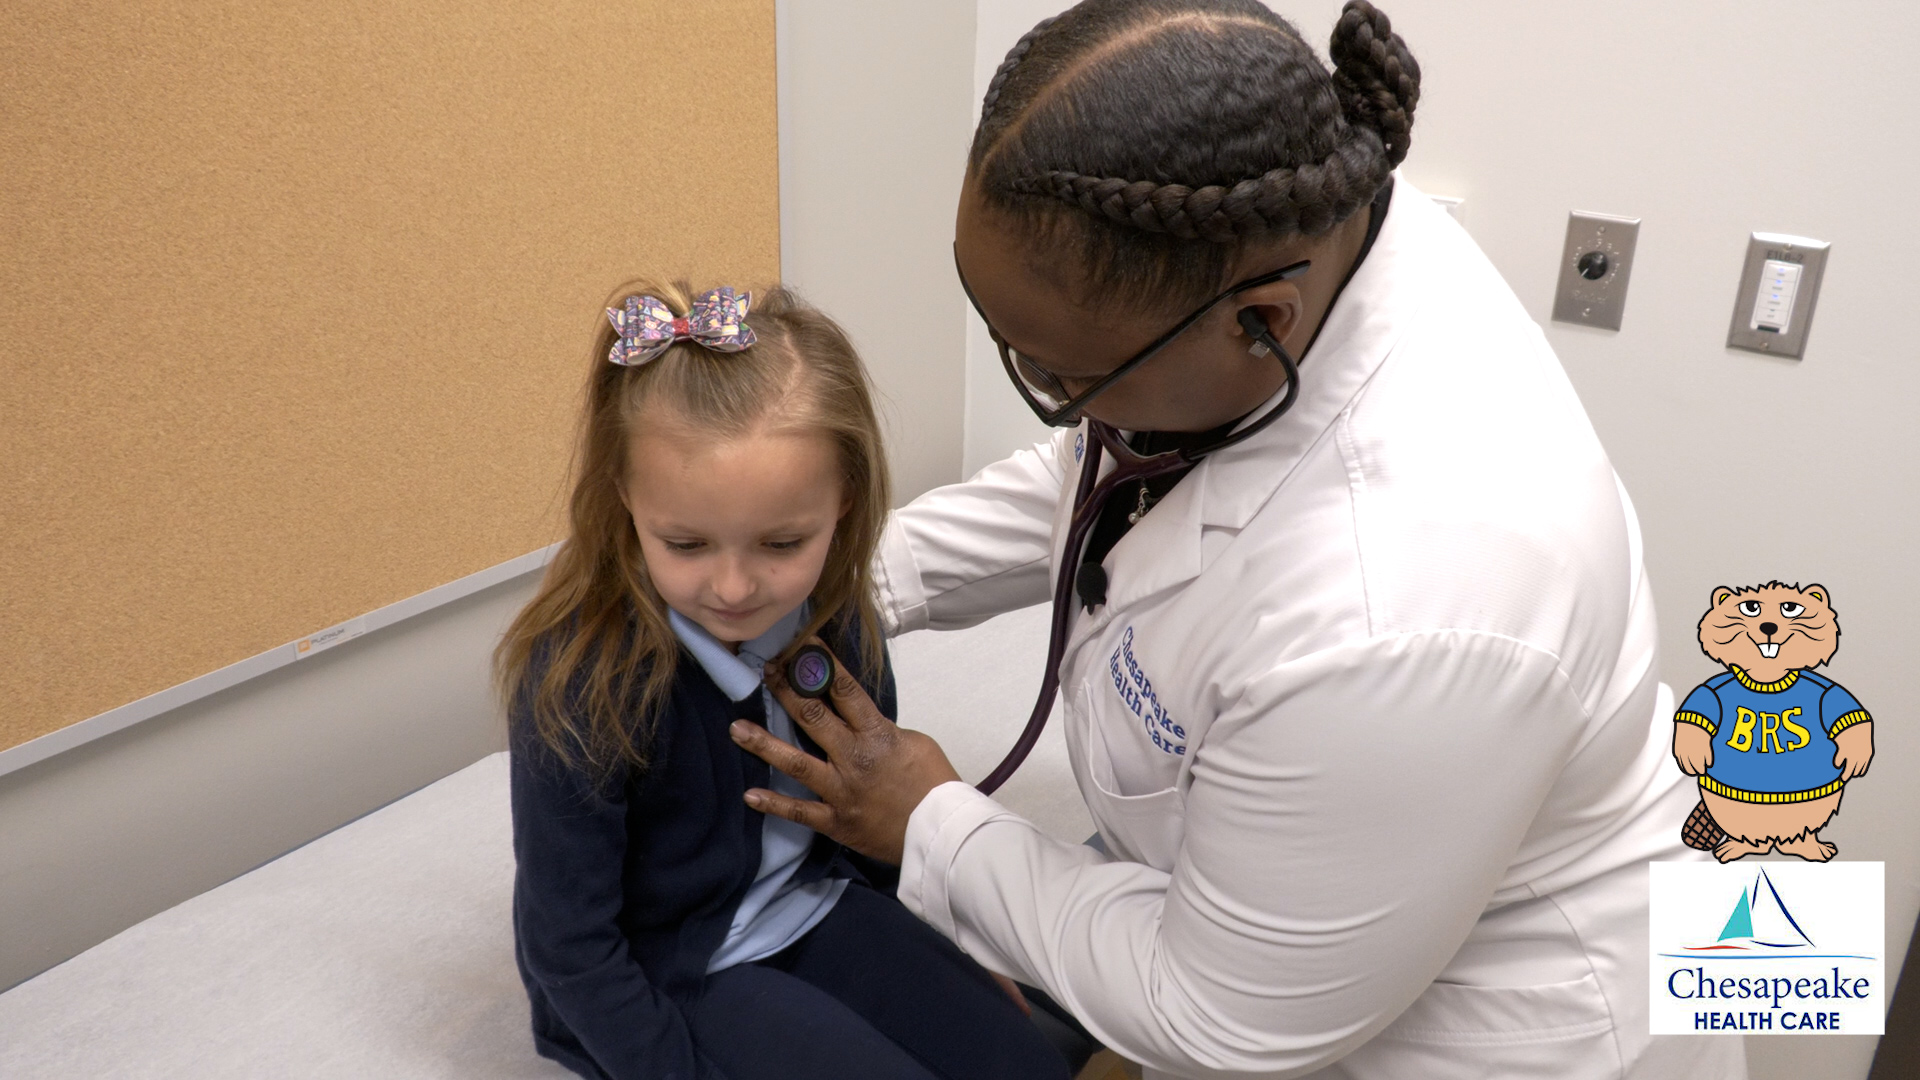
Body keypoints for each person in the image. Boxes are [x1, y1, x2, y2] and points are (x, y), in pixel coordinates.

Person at [729, 3, 1747, 1078]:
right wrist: (828, 575)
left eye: (1062, 376)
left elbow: (1221, 1014)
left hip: (1499, 1021)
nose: (1060, 408)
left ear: (1260, 320)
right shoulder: (1316, 233)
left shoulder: (1406, 597)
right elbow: (1102, 474)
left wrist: (930, 819)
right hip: (1300, 851)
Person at [495, 280, 1069, 1080]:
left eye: (780, 544)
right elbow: (569, 948)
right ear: (625, 499)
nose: (734, 589)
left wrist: (953, 947)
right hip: (681, 970)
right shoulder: (580, 686)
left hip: (818, 904)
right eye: (687, 545)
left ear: (846, 505)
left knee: (1026, 1064)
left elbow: (869, 819)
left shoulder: (838, 623)